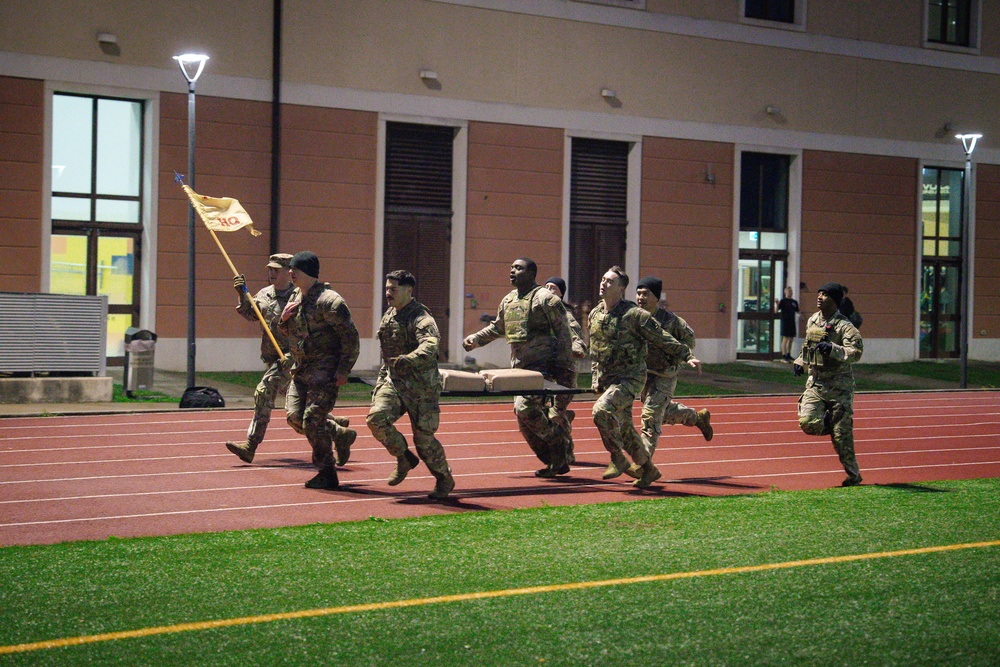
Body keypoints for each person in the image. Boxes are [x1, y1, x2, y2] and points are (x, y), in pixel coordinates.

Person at [225, 253, 353, 464]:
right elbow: (251, 314)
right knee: (296, 414)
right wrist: (241, 294)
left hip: (294, 358)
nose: (271, 273)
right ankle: (336, 428)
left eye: (277, 270)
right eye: (270, 269)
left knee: (264, 391)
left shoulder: (300, 296)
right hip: (272, 357)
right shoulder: (265, 295)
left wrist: (291, 356)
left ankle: (251, 445)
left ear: (289, 272)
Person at [463, 258, 574, 478]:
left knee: (525, 409)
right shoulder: (509, 300)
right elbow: (498, 328)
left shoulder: (546, 300)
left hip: (544, 369)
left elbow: (564, 335)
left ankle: (559, 441)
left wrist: (563, 371)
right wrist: (476, 339)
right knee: (523, 420)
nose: (512, 271)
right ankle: (555, 462)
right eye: (512, 268)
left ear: (532, 273)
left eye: (519, 268)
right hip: (520, 369)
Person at [589, 266, 697, 489]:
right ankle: (649, 470)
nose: (603, 283)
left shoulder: (635, 315)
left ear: (621, 288)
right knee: (625, 429)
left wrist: (686, 355)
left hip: (630, 378)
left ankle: (617, 457)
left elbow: (662, 338)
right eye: (603, 279)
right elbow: (596, 350)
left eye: (610, 281)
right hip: (610, 379)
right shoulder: (595, 314)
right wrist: (595, 379)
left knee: (601, 410)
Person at [367, 270, 455, 500]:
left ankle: (444, 477)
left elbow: (430, 345)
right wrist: (380, 383)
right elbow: (387, 356)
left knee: (424, 440)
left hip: (422, 388)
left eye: (393, 289)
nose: (388, 293)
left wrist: (409, 359)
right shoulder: (389, 316)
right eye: (387, 288)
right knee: (376, 419)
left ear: (408, 290)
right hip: (394, 383)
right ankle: (404, 458)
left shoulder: (421, 317)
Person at [278, 251, 360, 490]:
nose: (290, 273)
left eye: (295, 269)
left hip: (325, 371)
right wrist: (283, 321)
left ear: (309, 273)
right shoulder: (296, 295)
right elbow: (291, 332)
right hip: (301, 369)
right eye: (290, 269)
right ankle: (340, 434)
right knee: (295, 418)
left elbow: (350, 338)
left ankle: (327, 472)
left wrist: (344, 370)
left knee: (312, 421)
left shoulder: (330, 301)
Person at [633, 277, 711, 469]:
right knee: (662, 413)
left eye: (646, 294)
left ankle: (642, 464)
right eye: (639, 293)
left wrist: (682, 357)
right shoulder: (634, 317)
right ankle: (697, 418)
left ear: (656, 298)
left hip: (664, 375)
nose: (641, 297)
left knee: (651, 416)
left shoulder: (671, 320)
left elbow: (689, 339)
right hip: (644, 375)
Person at [793, 282, 864, 487]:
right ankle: (833, 425)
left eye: (824, 295)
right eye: (819, 293)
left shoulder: (845, 326)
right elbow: (808, 346)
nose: (819, 297)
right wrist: (800, 362)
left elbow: (856, 353)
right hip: (816, 383)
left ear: (834, 300)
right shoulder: (814, 320)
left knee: (843, 438)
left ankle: (854, 476)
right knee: (807, 422)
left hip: (839, 387)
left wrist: (833, 348)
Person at [543, 276, 588, 463]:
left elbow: (577, 337)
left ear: (561, 293)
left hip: (565, 373)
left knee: (555, 412)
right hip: (547, 373)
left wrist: (577, 348)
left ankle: (567, 451)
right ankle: (565, 422)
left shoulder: (565, 315)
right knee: (545, 413)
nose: (548, 290)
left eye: (553, 287)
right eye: (546, 287)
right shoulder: (542, 314)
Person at [776, 285, 799, 362]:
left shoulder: (794, 302)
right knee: (785, 338)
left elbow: (797, 311)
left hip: (792, 322)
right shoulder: (783, 301)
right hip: (785, 321)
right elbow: (776, 311)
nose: (790, 293)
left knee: (791, 338)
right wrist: (777, 304)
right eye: (789, 291)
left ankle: (788, 354)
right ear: (785, 292)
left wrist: (801, 316)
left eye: (791, 291)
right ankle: (783, 355)